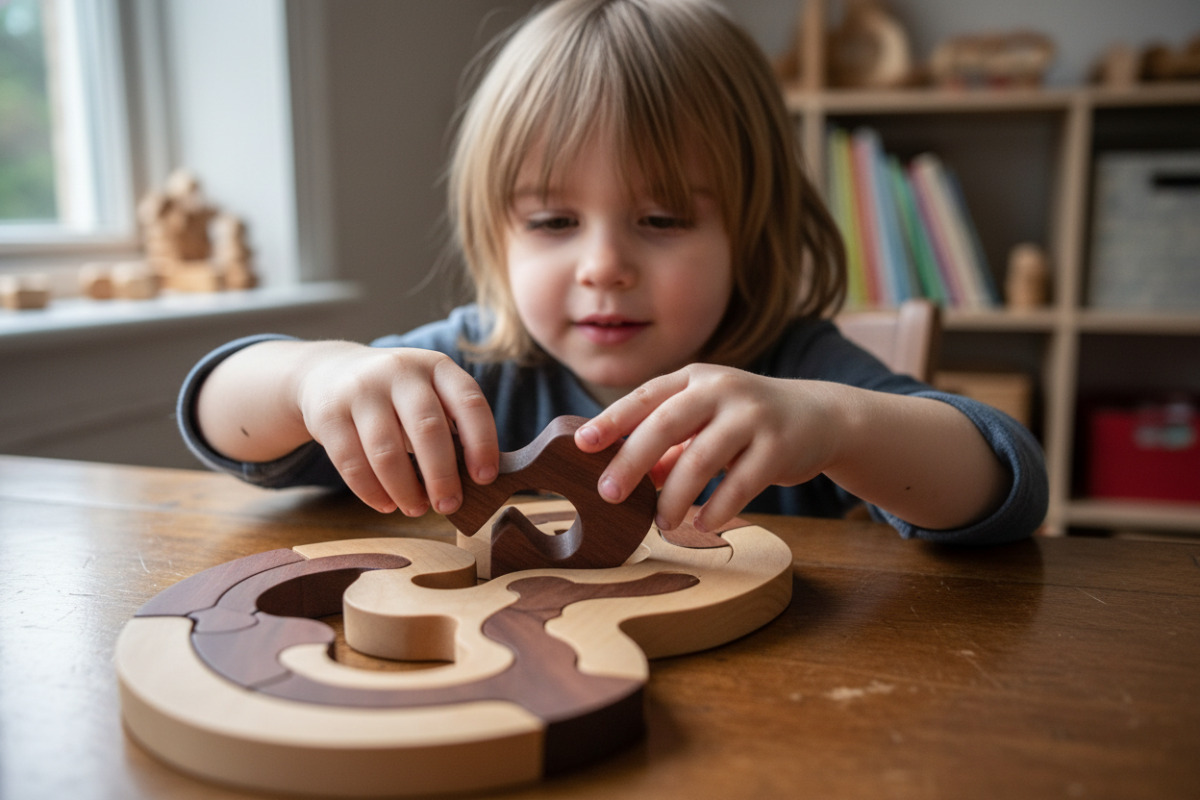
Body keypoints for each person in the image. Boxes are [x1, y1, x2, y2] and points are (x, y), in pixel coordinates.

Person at [178, 0, 1047, 545]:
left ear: (751, 230)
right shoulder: (468, 373)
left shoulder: (791, 371)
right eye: (553, 221)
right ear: (497, 232)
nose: (603, 267)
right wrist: (313, 378)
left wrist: (835, 425)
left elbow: (1006, 484)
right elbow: (221, 416)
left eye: (662, 220)